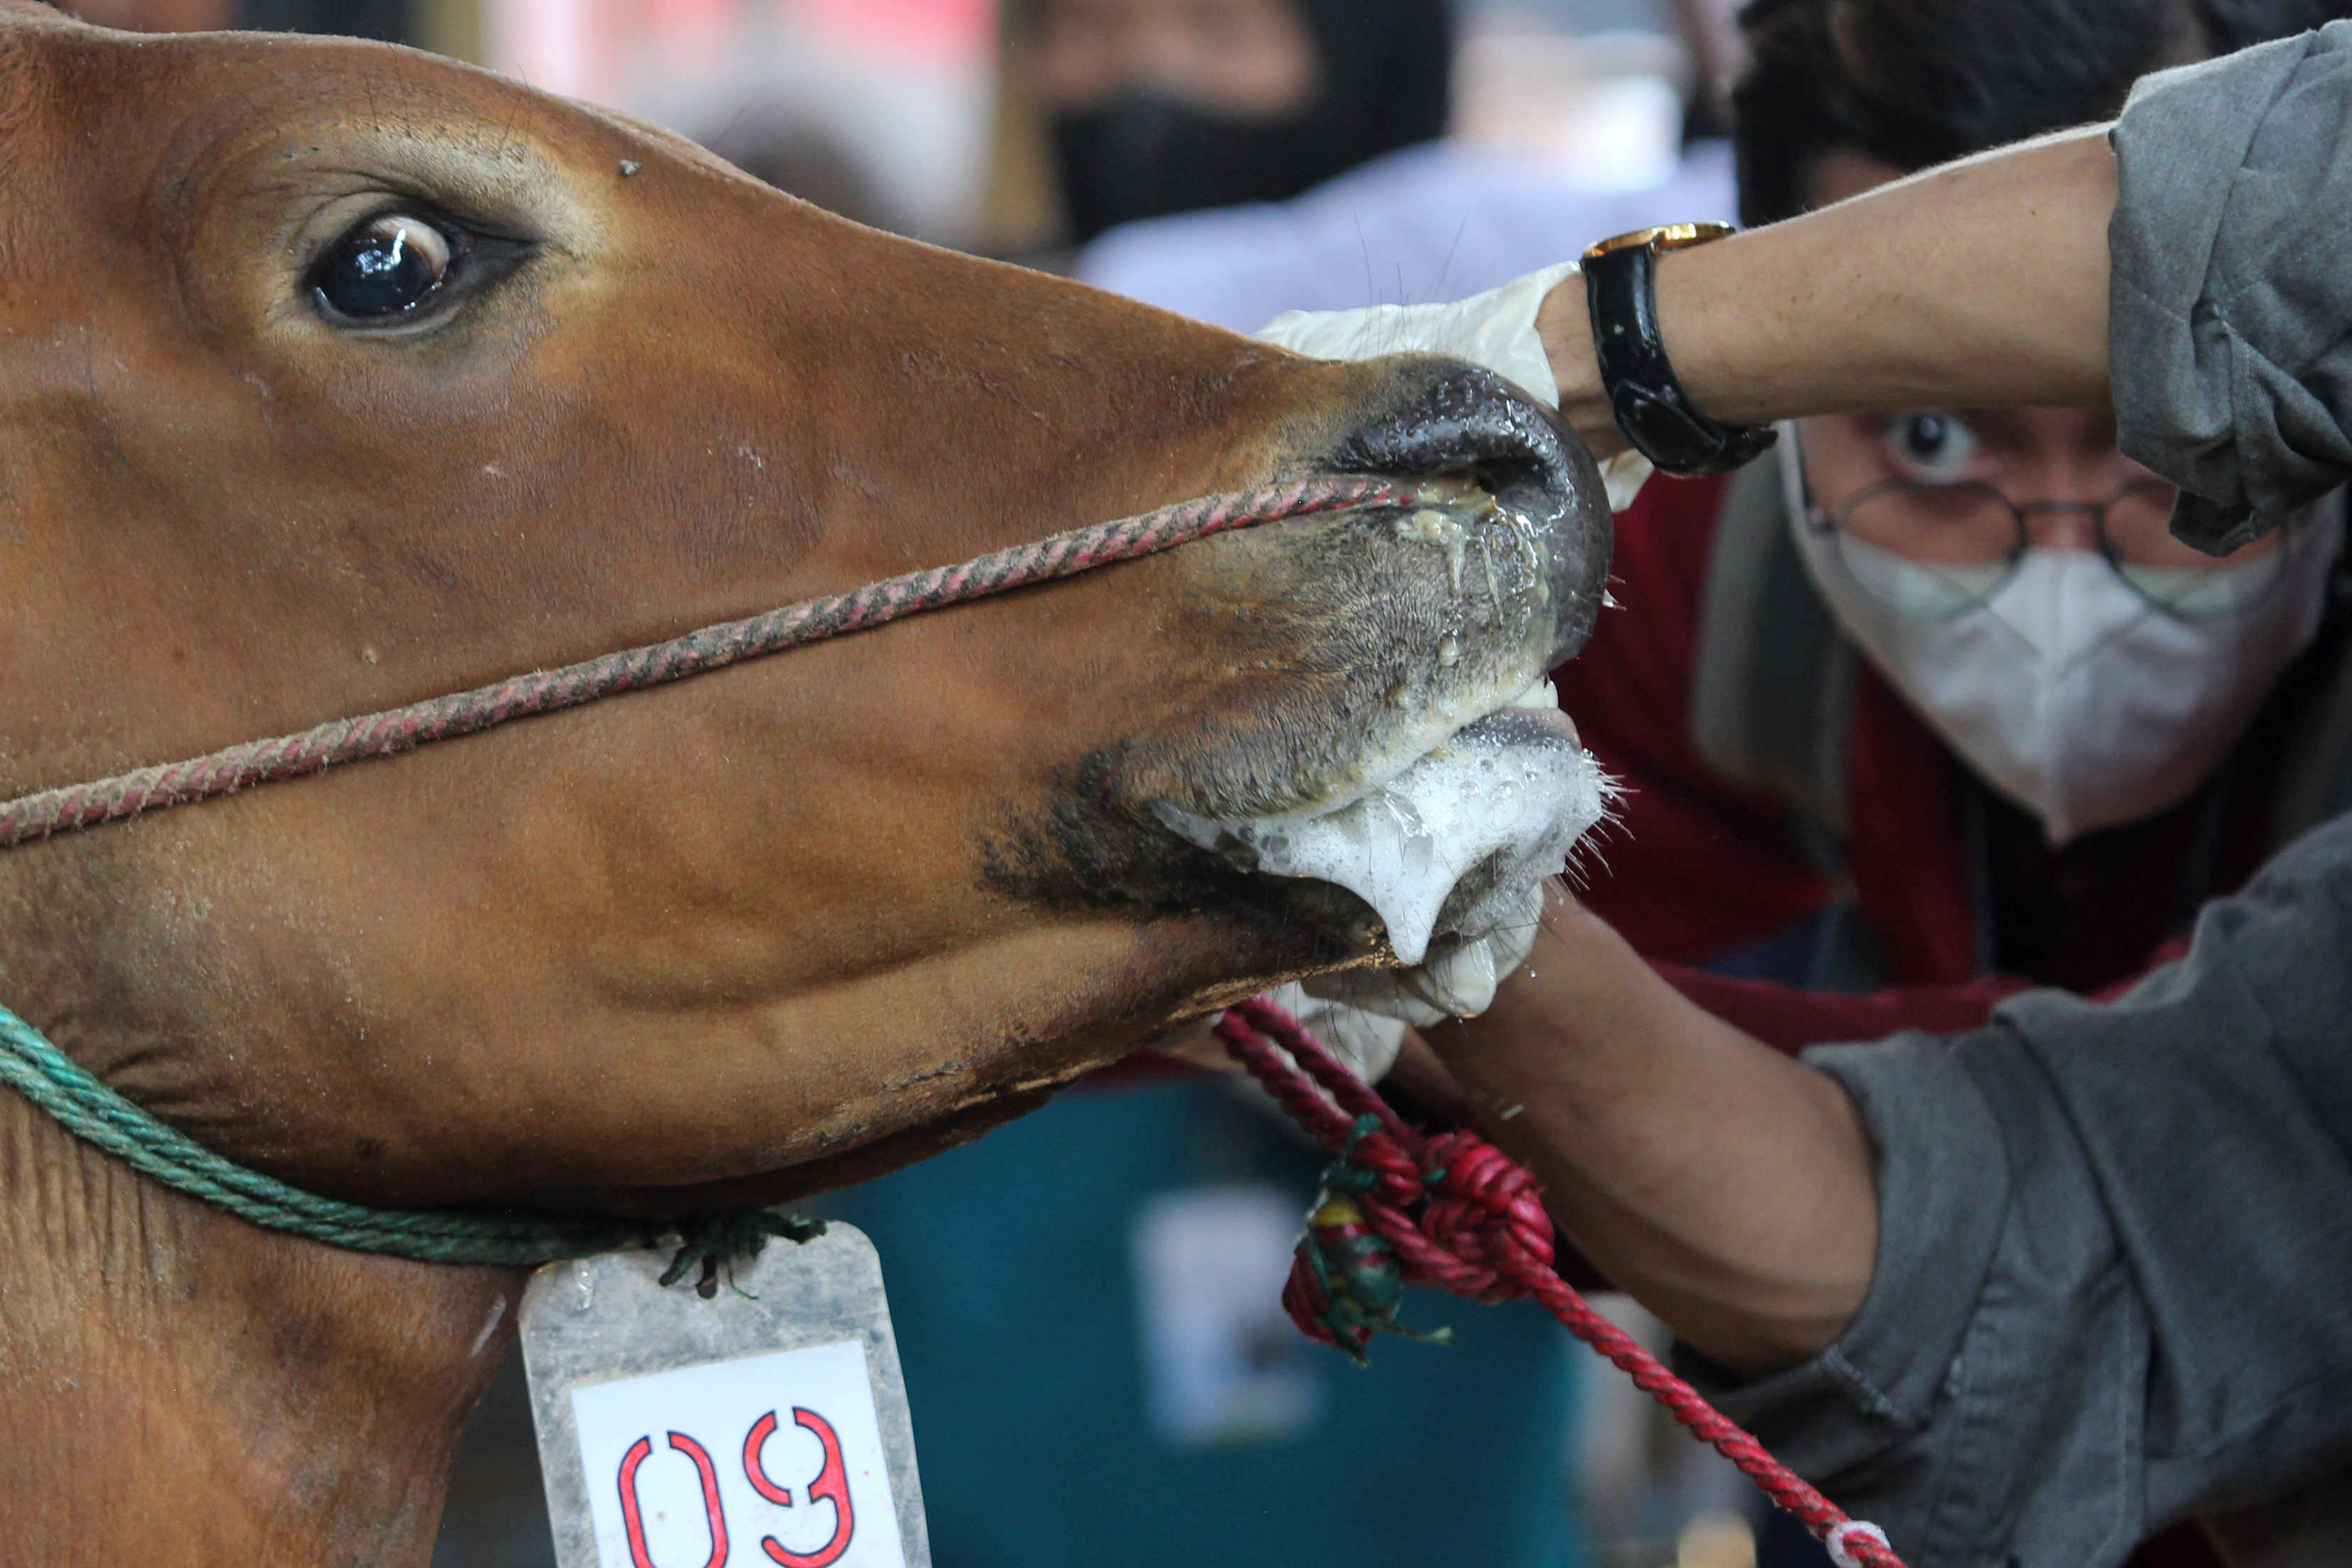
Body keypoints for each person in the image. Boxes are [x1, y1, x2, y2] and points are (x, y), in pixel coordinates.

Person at [1300, 26, 2352, 1564]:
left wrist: (1623, 343)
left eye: (2163, 425)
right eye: (1929, 427)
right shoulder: (1663, 571)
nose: (2058, 542)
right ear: (1795, 440)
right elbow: (2052, 1246)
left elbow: (2187, 1189)